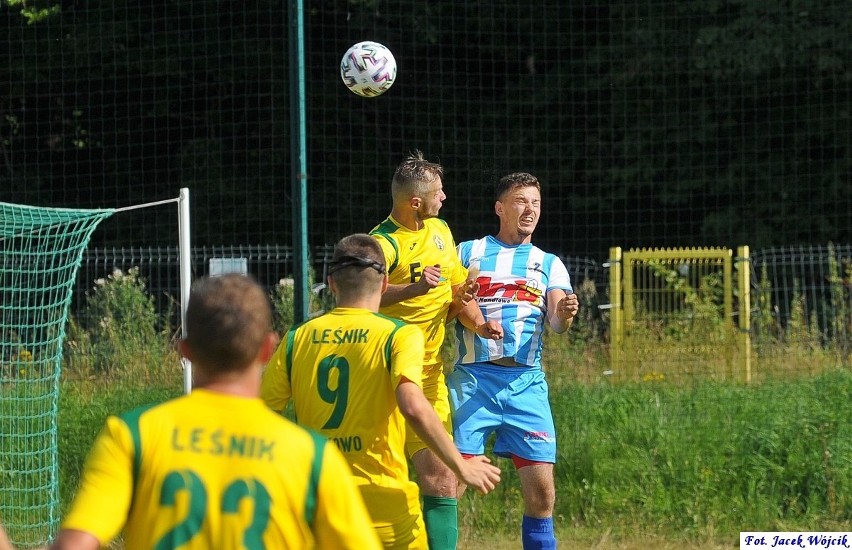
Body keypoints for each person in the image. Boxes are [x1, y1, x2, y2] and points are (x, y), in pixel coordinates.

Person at [51, 274, 380, 550]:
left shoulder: (133, 434)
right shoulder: (312, 455)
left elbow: (75, 543)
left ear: (186, 351)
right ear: (268, 348)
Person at [260, 234, 501, 550]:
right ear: (386, 284)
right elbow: (413, 407)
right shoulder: (398, 336)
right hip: (385, 510)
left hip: (319, 506)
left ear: (331, 284)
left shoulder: (296, 339)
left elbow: (260, 418)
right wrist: (461, 465)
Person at [368, 151, 502, 550]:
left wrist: (477, 319)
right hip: (382, 376)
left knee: (444, 476)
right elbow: (366, 298)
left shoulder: (442, 230)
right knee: (378, 482)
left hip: (427, 376)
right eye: (438, 193)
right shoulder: (382, 243)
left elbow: (457, 295)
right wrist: (414, 288)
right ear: (414, 202)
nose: (443, 198)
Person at [448, 172, 580, 550]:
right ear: (500, 208)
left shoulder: (548, 263)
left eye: (536, 203)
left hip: (526, 385)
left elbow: (557, 323)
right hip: (472, 379)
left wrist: (567, 312)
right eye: (521, 201)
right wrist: (475, 318)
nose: (530, 209)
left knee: (542, 497)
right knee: (449, 486)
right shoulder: (467, 252)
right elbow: (451, 300)